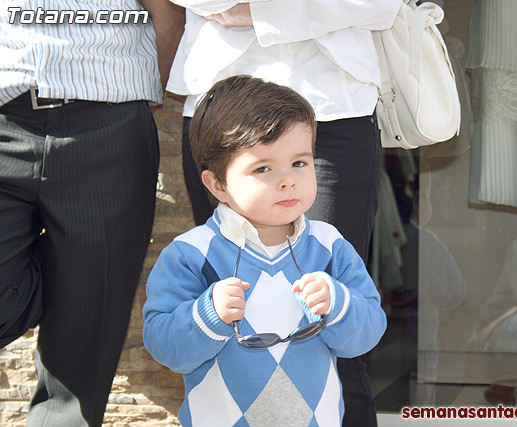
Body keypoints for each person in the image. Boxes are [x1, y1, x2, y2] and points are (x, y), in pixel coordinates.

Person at [164, 2, 402, 423]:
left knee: (337, 343)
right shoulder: (190, 252)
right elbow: (167, 342)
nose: (287, 180)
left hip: (335, 101)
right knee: (225, 316)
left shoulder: (330, 244)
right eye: (265, 170)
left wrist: (261, 10)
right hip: (223, 109)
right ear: (216, 184)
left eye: (299, 165)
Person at [0, 2, 183, 426]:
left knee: (85, 343)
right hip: (5, 114)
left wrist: (139, 95)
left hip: (108, 123)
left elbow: (168, 14)